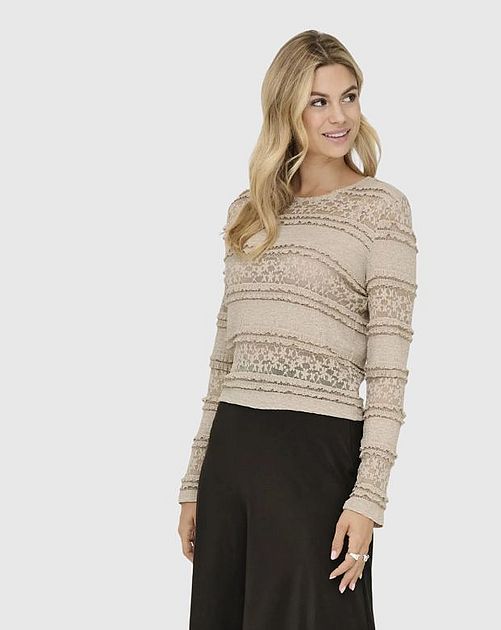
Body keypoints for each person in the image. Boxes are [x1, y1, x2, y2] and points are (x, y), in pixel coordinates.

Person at [177, 29, 418, 629]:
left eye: (349, 97)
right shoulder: (249, 211)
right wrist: (194, 479)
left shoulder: (382, 210)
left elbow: (388, 372)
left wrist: (369, 497)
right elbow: (223, 359)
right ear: (286, 109)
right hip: (233, 452)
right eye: (318, 101)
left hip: (316, 460)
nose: (339, 117)